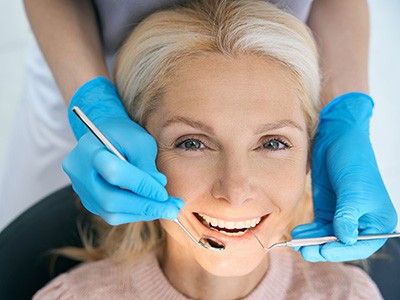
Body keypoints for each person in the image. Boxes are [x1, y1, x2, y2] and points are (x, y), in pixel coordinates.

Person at [0, 0, 396, 263]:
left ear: (310, 145)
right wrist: (92, 101)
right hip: (89, 55)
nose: (235, 190)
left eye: (273, 142)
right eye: (192, 143)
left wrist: (345, 117)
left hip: (280, 56)